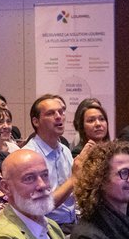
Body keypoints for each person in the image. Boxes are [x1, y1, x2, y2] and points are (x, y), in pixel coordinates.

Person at [23, 95, 88, 231]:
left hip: (73, 223)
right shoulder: (28, 157)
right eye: (51, 113)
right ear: (36, 121)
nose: (59, 117)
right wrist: (74, 179)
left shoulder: (64, 150)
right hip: (45, 228)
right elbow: (41, 206)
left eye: (61, 112)